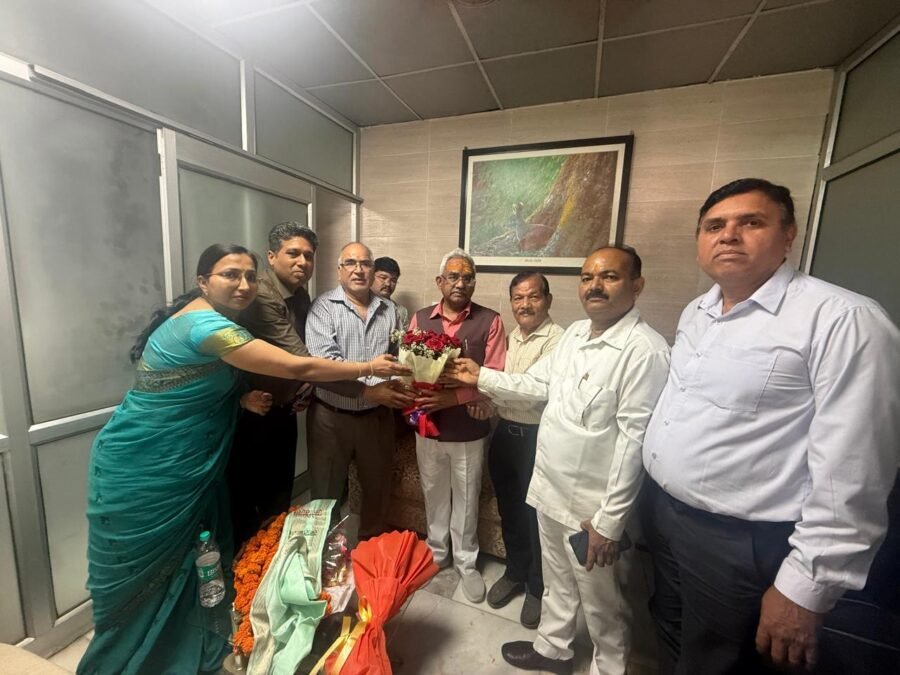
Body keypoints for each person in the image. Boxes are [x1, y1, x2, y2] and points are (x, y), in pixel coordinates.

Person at [77, 244, 407, 675]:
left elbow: (195, 381)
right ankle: (129, 655)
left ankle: (187, 640)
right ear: (203, 282)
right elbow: (300, 367)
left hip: (190, 461)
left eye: (250, 276)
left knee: (195, 556)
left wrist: (240, 397)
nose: (244, 284)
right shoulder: (205, 326)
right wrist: (368, 368)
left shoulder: (218, 321)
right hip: (148, 460)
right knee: (141, 569)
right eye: (230, 274)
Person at [640, 178, 900, 674]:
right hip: (665, 514)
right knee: (671, 632)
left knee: (719, 661)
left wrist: (807, 585)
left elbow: (854, 470)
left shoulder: (842, 320)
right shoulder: (698, 311)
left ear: (788, 235)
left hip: (741, 541)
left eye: (751, 222)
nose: (728, 235)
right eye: (714, 226)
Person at [447, 246, 670, 674]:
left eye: (609, 277)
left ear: (636, 285)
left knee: (602, 602)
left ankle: (609, 668)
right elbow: (537, 384)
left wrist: (609, 522)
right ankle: (553, 650)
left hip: (589, 507)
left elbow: (634, 443)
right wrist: (480, 375)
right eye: (587, 278)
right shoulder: (576, 335)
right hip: (549, 487)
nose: (595, 286)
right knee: (557, 583)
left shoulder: (644, 351)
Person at [410, 248, 507, 603]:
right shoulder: (420, 319)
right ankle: (437, 554)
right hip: (428, 426)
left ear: (474, 283)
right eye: (453, 276)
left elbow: (495, 376)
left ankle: (467, 562)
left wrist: (454, 397)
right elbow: (410, 369)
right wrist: (421, 389)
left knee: (466, 498)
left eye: (467, 277)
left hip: (469, 429)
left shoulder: (490, 321)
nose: (460, 283)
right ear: (440, 281)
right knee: (433, 492)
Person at [305, 242, 416, 540]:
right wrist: (369, 391)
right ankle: (326, 553)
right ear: (339, 270)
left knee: (377, 492)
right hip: (330, 417)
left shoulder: (390, 310)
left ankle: (371, 550)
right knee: (325, 494)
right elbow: (324, 366)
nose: (358, 269)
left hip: (377, 419)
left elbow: (399, 358)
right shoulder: (323, 308)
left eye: (365, 263)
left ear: (372, 270)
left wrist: (399, 384)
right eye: (351, 263)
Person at [478, 272, 564, 628]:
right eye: (518, 298)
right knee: (510, 510)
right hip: (504, 435)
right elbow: (502, 388)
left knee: (535, 517)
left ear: (548, 300)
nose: (525, 305)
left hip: (536, 438)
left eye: (533, 297)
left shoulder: (559, 340)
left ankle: (537, 587)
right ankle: (515, 572)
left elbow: (532, 392)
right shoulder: (510, 337)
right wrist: (488, 400)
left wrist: (489, 389)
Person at [227, 221, 316, 546]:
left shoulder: (301, 295)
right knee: (246, 500)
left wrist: (305, 387)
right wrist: (363, 375)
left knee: (279, 492)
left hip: (283, 407)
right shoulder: (260, 295)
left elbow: (305, 348)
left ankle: (272, 560)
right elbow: (300, 357)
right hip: (251, 411)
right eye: (293, 253)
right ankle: (245, 567)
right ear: (271, 256)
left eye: (308, 256)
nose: (302, 262)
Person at [371, 256, 409, 328]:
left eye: (393, 280)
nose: (388, 284)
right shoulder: (359, 305)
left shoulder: (401, 311)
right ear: (370, 277)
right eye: (383, 278)